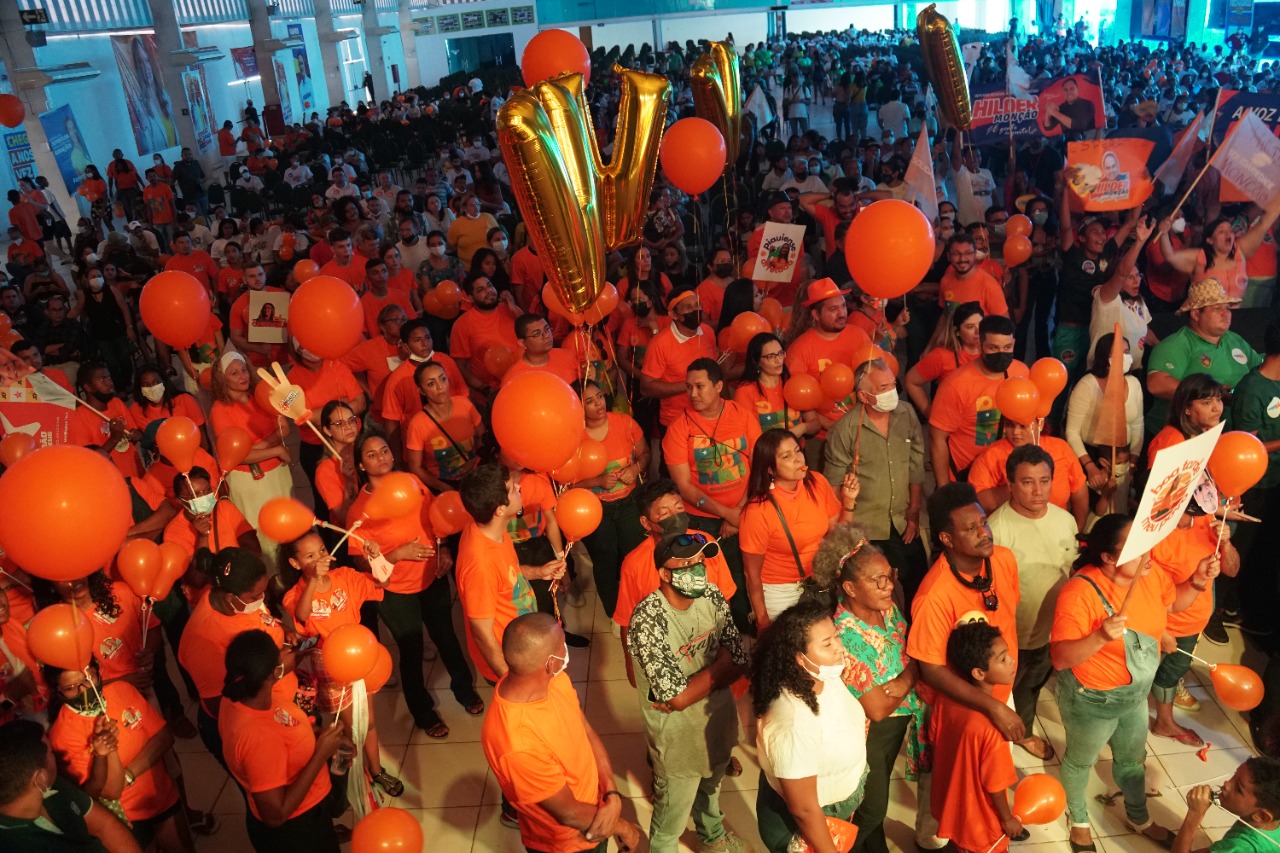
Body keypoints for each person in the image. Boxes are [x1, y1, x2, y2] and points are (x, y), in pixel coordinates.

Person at [1051, 514, 1213, 852]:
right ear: (1108, 558)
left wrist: (1197, 581)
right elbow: (1061, 658)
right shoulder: (1080, 591)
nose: (1148, 553)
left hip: (1136, 695)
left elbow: (1173, 605)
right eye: (1136, 548)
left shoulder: (1148, 574)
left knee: (1131, 759)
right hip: (1093, 697)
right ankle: (1078, 819)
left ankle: (1138, 817)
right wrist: (1098, 636)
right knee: (1081, 761)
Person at [348, 433, 483, 738]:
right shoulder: (361, 511)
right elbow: (360, 564)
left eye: (384, 450)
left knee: (447, 637)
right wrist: (396, 555)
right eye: (372, 455)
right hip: (396, 592)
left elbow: (437, 518)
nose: (381, 457)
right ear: (360, 464)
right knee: (410, 652)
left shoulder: (412, 481)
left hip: (432, 577)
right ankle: (422, 712)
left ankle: (464, 690)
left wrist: (445, 548)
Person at [481, 613, 643, 853]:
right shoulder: (516, 744)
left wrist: (610, 793)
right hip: (568, 843)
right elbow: (569, 813)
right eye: (562, 645)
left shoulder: (552, 680)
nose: (566, 649)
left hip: (598, 813)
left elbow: (585, 729)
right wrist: (623, 828)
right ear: (549, 662)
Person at [628, 532, 749, 852]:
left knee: (711, 789)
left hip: (717, 722)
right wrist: (719, 667)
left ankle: (712, 837)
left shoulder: (711, 595)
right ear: (664, 573)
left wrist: (703, 679)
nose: (696, 569)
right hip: (677, 738)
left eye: (699, 561)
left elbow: (738, 659)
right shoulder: (648, 618)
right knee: (672, 817)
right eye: (684, 563)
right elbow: (676, 699)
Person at [811, 526, 926, 853]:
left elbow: (897, 675)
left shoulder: (887, 608)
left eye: (889, 576)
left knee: (872, 803)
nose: (888, 585)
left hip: (896, 724)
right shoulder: (844, 636)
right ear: (849, 588)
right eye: (878, 580)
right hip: (869, 734)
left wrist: (898, 684)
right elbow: (876, 707)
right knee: (871, 808)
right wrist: (913, 670)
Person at [279, 528, 402, 797]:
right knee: (352, 727)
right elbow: (300, 616)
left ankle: (376, 770)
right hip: (329, 665)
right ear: (295, 563)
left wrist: (376, 558)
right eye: (310, 556)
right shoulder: (294, 594)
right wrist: (313, 579)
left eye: (322, 550)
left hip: (361, 657)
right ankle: (352, 777)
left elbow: (383, 583)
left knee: (368, 722)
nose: (321, 557)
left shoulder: (345, 576)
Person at [753, 599, 868, 852]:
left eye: (836, 636)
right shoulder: (794, 723)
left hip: (836, 807)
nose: (840, 648)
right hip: (810, 822)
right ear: (800, 658)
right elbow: (804, 809)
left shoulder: (823, 674)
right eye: (827, 643)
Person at [46, 659, 196, 852]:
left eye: (88, 678)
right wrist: (107, 751)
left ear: (97, 672)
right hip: (124, 819)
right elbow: (108, 792)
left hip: (160, 794)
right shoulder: (62, 734)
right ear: (58, 692)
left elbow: (164, 737)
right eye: (70, 688)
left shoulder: (122, 690)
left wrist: (128, 775)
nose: (84, 690)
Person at [177, 548, 305, 773]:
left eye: (263, 593)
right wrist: (279, 670)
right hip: (252, 725)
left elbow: (263, 617)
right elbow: (225, 707)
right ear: (229, 598)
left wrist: (284, 630)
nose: (261, 600)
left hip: (281, 704)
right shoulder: (203, 641)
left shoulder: (241, 600)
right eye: (256, 597)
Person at [987, 444, 1078, 757]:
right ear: (1010, 484)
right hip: (1013, 635)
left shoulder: (1065, 520)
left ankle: (1022, 729)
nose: (1038, 491)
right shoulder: (998, 531)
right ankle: (1001, 738)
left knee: (1034, 684)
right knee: (1005, 689)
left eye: (1045, 480)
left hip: (1053, 630)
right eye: (1027, 482)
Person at [218, 630, 346, 853]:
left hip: (312, 811)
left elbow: (287, 729)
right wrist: (321, 754)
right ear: (272, 674)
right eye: (279, 653)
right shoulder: (258, 738)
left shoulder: (241, 696)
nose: (286, 651)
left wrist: (319, 735)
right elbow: (275, 815)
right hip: (297, 832)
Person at [824, 357, 929, 608]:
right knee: (874, 595)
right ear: (863, 396)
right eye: (882, 389)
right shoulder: (845, 430)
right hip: (867, 527)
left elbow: (916, 464)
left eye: (893, 384)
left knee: (918, 584)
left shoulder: (906, 413)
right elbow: (834, 487)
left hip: (904, 519)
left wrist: (914, 511)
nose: (891, 392)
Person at [741, 429, 857, 628]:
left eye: (797, 451)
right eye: (786, 456)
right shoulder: (757, 511)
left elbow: (839, 538)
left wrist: (849, 501)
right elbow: (751, 574)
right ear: (770, 469)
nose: (797, 459)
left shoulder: (817, 483)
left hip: (818, 583)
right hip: (780, 591)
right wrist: (762, 619)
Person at [930, 621, 1025, 853]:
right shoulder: (994, 729)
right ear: (979, 673)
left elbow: (934, 738)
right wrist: (1007, 819)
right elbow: (995, 785)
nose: (1012, 661)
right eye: (1002, 659)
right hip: (981, 822)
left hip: (951, 806)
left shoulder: (945, 701)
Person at [1149, 498, 1239, 744]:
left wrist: (1227, 543)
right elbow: (1141, 590)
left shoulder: (1205, 520)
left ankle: (1163, 723)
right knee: (1136, 677)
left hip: (1193, 624)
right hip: (1160, 627)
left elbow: (1232, 570)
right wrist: (1161, 631)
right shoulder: (1154, 533)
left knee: (1172, 672)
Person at [0, 719, 143, 852]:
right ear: (39, 779)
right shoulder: (14, 844)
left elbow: (105, 826)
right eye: (51, 753)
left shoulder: (52, 784)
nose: (55, 756)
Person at [572, 379, 649, 620]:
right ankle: (617, 615)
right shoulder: (574, 436)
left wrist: (635, 468)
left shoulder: (625, 423)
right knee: (605, 560)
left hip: (628, 502)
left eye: (600, 396)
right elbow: (566, 483)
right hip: (595, 508)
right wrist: (596, 481)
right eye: (589, 401)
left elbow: (646, 454)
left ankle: (643, 606)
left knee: (635, 555)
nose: (598, 404)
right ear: (578, 407)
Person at [1146, 279, 1261, 433]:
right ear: (1195, 314)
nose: (1225, 314)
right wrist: (1212, 394)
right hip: (1187, 437)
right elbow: (1157, 384)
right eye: (1216, 308)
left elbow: (1261, 368)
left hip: (1235, 430)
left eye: (1227, 308)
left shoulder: (1234, 339)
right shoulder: (1177, 344)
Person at [208, 352, 293, 559]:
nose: (242, 376)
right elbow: (235, 456)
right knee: (264, 536)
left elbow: (284, 428)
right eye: (234, 373)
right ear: (222, 379)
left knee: (287, 528)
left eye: (244, 369)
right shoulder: (220, 410)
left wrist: (257, 448)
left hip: (278, 474)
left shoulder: (261, 396)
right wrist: (275, 450)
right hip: (250, 482)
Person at [928, 314, 1029, 485]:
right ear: (980, 345)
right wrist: (944, 486)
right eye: (993, 348)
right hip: (966, 478)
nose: (1001, 353)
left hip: (1007, 477)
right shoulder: (956, 384)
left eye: (1007, 347)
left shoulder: (1021, 373)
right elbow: (938, 439)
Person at [783, 278, 873, 462]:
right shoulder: (800, 349)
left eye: (843, 306)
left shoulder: (859, 336)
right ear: (815, 314)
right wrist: (836, 426)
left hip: (863, 430)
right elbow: (801, 401)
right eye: (833, 309)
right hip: (822, 438)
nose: (841, 313)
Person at [969, 413, 1090, 529]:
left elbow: (1079, 491)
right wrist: (1017, 485)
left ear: (1040, 424)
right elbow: (978, 503)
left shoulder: (1061, 448)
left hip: (1057, 530)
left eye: (1023, 426)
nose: (1015, 432)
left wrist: (1078, 529)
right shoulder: (990, 456)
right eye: (1010, 425)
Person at [1065, 333, 1145, 492]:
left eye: (1127, 352)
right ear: (1104, 357)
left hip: (1124, 457)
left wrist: (1133, 463)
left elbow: (1138, 425)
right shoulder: (1087, 386)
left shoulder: (1134, 383)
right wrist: (1090, 467)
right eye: (1118, 353)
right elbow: (1072, 432)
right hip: (1093, 457)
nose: (1124, 357)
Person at [640, 289, 718, 427]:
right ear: (673, 314)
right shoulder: (659, 344)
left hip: (710, 417)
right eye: (688, 307)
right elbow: (646, 388)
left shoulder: (708, 332)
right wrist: (689, 385)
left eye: (698, 305)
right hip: (676, 421)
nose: (696, 310)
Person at [404, 360, 483, 492]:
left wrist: (476, 460)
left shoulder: (464, 404)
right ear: (421, 391)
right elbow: (416, 468)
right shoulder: (417, 424)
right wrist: (444, 488)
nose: (440, 387)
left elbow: (483, 436)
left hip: (476, 476)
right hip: (443, 485)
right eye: (431, 384)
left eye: (443, 379)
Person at [1174, 755, 1280, 853]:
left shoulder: (1239, 848)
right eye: (1234, 775)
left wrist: (1195, 814)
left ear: (1261, 816)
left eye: (1238, 789)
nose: (1227, 784)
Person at [449, 273, 520, 397]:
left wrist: (514, 308)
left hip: (521, 380)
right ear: (471, 298)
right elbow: (460, 366)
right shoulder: (462, 324)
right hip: (492, 393)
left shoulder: (509, 308)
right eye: (481, 290)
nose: (489, 291)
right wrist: (484, 389)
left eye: (490, 285)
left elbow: (531, 335)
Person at [734, 332, 816, 437]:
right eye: (771, 356)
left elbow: (815, 423)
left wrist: (802, 428)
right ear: (757, 361)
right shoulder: (745, 392)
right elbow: (747, 436)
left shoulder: (793, 383)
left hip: (796, 450)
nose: (778, 360)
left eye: (781, 353)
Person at [937, 234, 1008, 317]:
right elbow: (945, 316)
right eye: (956, 254)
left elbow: (1004, 327)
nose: (962, 259)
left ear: (975, 255)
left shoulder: (989, 285)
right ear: (948, 256)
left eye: (968, 253)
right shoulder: (945, 281)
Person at [503, 314, 580, 387]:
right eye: (537, 334)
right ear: (522, 343)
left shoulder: (567, 356)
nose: (546, 335)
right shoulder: (513, 378)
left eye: (547, 329)